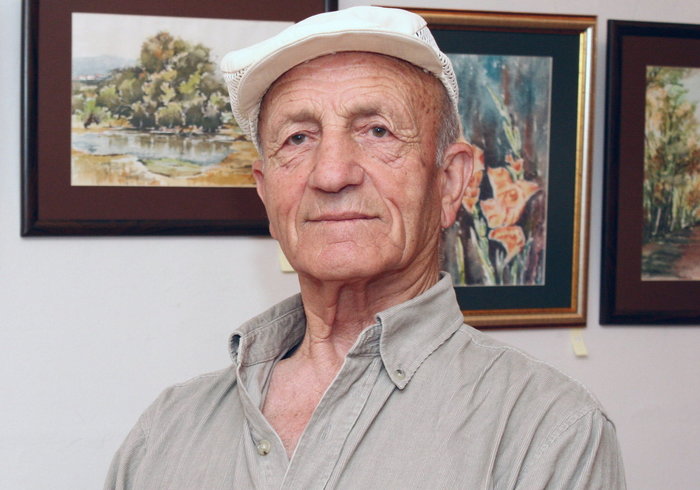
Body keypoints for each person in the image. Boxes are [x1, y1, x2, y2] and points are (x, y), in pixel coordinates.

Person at [104, 6, 625, 489]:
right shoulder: (166, 431)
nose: (331, 174)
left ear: (449, 181)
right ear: (265, 192)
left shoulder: (547, 431)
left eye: (377, 131)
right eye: (298, 138)